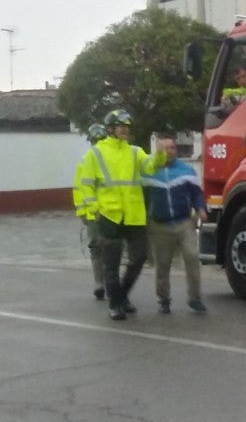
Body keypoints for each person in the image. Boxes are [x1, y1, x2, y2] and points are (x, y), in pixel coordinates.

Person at [73, 109, 167, 320]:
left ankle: (121, 295)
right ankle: (115, 304)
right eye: (121, 127)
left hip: (134, 214)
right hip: (109, 215)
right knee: (111, 262)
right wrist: (94, 210)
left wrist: (160, 154)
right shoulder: (95, 154)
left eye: (127, 127)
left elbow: (151, 168)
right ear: (110, 129)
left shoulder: (135, 151)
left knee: (140, 256)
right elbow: (85, 186)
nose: (126, 130)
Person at [142, 132, 208, 315]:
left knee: (192, 257)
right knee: (162, 265)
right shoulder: (148, 171)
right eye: (165, 148)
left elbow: (196, 193)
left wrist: (201, 209)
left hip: (184, 222)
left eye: (172, 147)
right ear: (158, 151)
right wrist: (143, 221)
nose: (170, 151)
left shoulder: (187, 170)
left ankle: (195, 298)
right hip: (159, 225)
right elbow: (142, 198)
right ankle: (164, 299)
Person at [73, 123, 109, 300]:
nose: (97, 143)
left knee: (113, 247)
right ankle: (99, 283)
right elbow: (79, 188)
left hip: (112, 212)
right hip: (93, 215)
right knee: (96, 248)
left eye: (100, 139)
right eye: (95, 140)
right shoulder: (86, 160)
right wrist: (81, 212)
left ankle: (112, 282)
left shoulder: (112, 159)